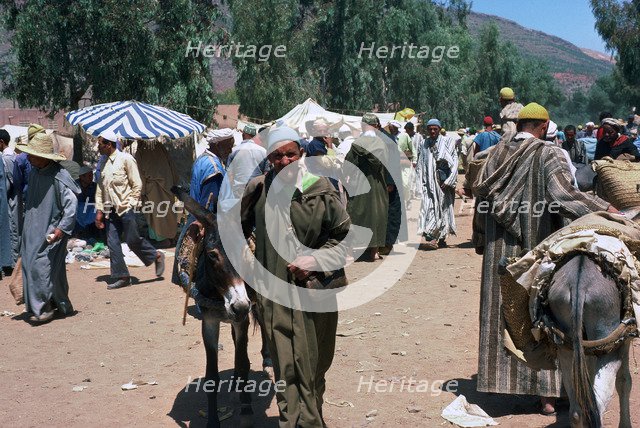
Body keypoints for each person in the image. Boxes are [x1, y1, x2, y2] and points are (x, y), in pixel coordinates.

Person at [473, 102, 614, 415]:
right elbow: (564, 195)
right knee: (541, 315)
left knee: (505, 312)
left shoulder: (495, 152)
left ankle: (504, 385)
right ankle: (547, 397)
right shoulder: (547, 153)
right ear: (543, 125)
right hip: (535, 246)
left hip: (499, 247)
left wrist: (481, 239)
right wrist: (603, 210)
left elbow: (481, 196)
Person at [241, 125, 350, 427]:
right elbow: (234, 227)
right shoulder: (258, 190)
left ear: (302, 154)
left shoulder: (322, 190)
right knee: (286, 369)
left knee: (314, 367)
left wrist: (315, 260)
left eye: (291, 154)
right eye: (277, 156)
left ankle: (313, 417)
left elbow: (344, 239)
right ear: (269, 159)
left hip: (316, 296)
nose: (285, 161)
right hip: (274, 300)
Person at [16, 133, 80, 323]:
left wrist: (61, 229)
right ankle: (61, 305)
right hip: (32, 231)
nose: (28, 158)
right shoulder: (35, 173)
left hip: (51, 232)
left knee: (41, 266)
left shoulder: (60, 177)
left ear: (43, 157)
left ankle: (43, 309)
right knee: (49, 270)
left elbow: (71, 205)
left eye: (32, 155)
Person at [94, 134, 165, 290]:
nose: (98, 147)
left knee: (132, 240)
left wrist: (131, 203)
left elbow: (137, 184)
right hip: (110, 211)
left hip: (126, 208)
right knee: (112, 243)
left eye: (100, 144)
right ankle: (122, 276)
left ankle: (156, 255)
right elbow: (100, 188)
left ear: (109, 144)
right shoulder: (103, 163)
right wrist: (99, 210)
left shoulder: (126, 159)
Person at [171, 128, 235, 289]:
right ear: (218, 144)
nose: (231, 149)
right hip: (205, 223)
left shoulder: (202, 159)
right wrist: (203, 225)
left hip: (194, 218)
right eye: (229, 145)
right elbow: (209, 201)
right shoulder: (213, 167)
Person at [345, 113, 389, 262]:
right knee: (377, 216)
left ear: (363, 126)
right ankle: (374, 253)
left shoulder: (357, 144)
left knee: (355, 215)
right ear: (376, 126)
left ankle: (350, 252)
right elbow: (384, 164)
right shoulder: (382, 143)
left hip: (360, 185)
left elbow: (349, 165)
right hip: (378, 185)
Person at [416, 118, 457, 249]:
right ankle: (433, 237)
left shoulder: (448, 142)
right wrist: (419, 182)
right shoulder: (423, 143)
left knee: (444, 209)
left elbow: (454, 162)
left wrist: (449, 180)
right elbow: (420, 164)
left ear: (439, 129)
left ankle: (442, 237)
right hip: (428, 184)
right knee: (430, 208)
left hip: (443, 184)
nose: (432, 131)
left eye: (435, 129)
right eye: (430, 129)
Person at [73, 166, 103, 241]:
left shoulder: (95, 186)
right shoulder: (74, 185)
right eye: (89, 176)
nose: (91, 178)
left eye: (91, 176)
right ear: (82, 177)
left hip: (90, 210)